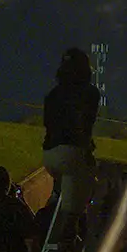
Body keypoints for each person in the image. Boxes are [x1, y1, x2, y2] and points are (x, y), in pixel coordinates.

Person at [42, 49, 101, 222]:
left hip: (49, 154)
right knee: (86, 180)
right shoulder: (90, 93)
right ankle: (70, 230)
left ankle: (54, 202)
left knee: (64, 184)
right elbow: (85, 126)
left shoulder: (52, 94)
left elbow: (49, 124)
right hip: (72, 153)